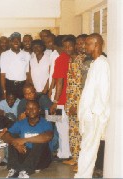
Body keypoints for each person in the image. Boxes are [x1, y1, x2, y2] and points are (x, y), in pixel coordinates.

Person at [75, 33, 110, 178]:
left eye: (88, 43)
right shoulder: (95, 63)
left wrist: (95, 113)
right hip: (89, 114)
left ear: (97, 45)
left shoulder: (102, 64)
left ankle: (83, 176)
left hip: (94, 115)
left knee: (89, 149)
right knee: (86, 148)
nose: (85, 46)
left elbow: (103, 91)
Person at [2, 100, 53, 178]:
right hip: (25, 154)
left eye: (34, 108)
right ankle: (14, 169)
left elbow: (48, 137)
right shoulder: (21, 123)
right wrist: (15, 143)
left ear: (39, 110)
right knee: (12, 137)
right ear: (25, 111)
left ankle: (25, 170)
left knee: (40, 140)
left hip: (41, 158)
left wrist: (24, 140)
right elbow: (5, 136)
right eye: (28, 108)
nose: (31, 110)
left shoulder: (45, 123)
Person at [63, 35, 87, 169]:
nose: (79, 46)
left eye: (82, 43)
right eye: (78, 43)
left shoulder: (86, 60)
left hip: (77, 101)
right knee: (73, 131)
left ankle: (81, 162)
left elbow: (80, 85)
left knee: (80, 132)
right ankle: (75, 157)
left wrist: (76, 105)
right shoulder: (76, 58)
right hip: (70, 98)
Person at [49, 36, 73, 160]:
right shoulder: (70, 59)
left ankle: (65, 154)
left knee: (61, 128)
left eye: (70, 46)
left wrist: (55, 101)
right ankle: (61, 151)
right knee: (62, 127)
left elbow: (59, 82)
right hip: (66, 100)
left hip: (60, 101)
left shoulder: (60, 59)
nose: (67, 48)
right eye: (65, 46)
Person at [0, 32, 31, 99]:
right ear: (10, 42)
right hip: (9, 85)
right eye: (13, 40)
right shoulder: (4, 55)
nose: (16, 42)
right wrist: (4, 91)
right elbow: (2, 75)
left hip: (22, 85)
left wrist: (26, 88)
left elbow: (27, 74)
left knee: (22, 106)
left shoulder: (26, 54)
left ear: (21, 42)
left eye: (18, 40)